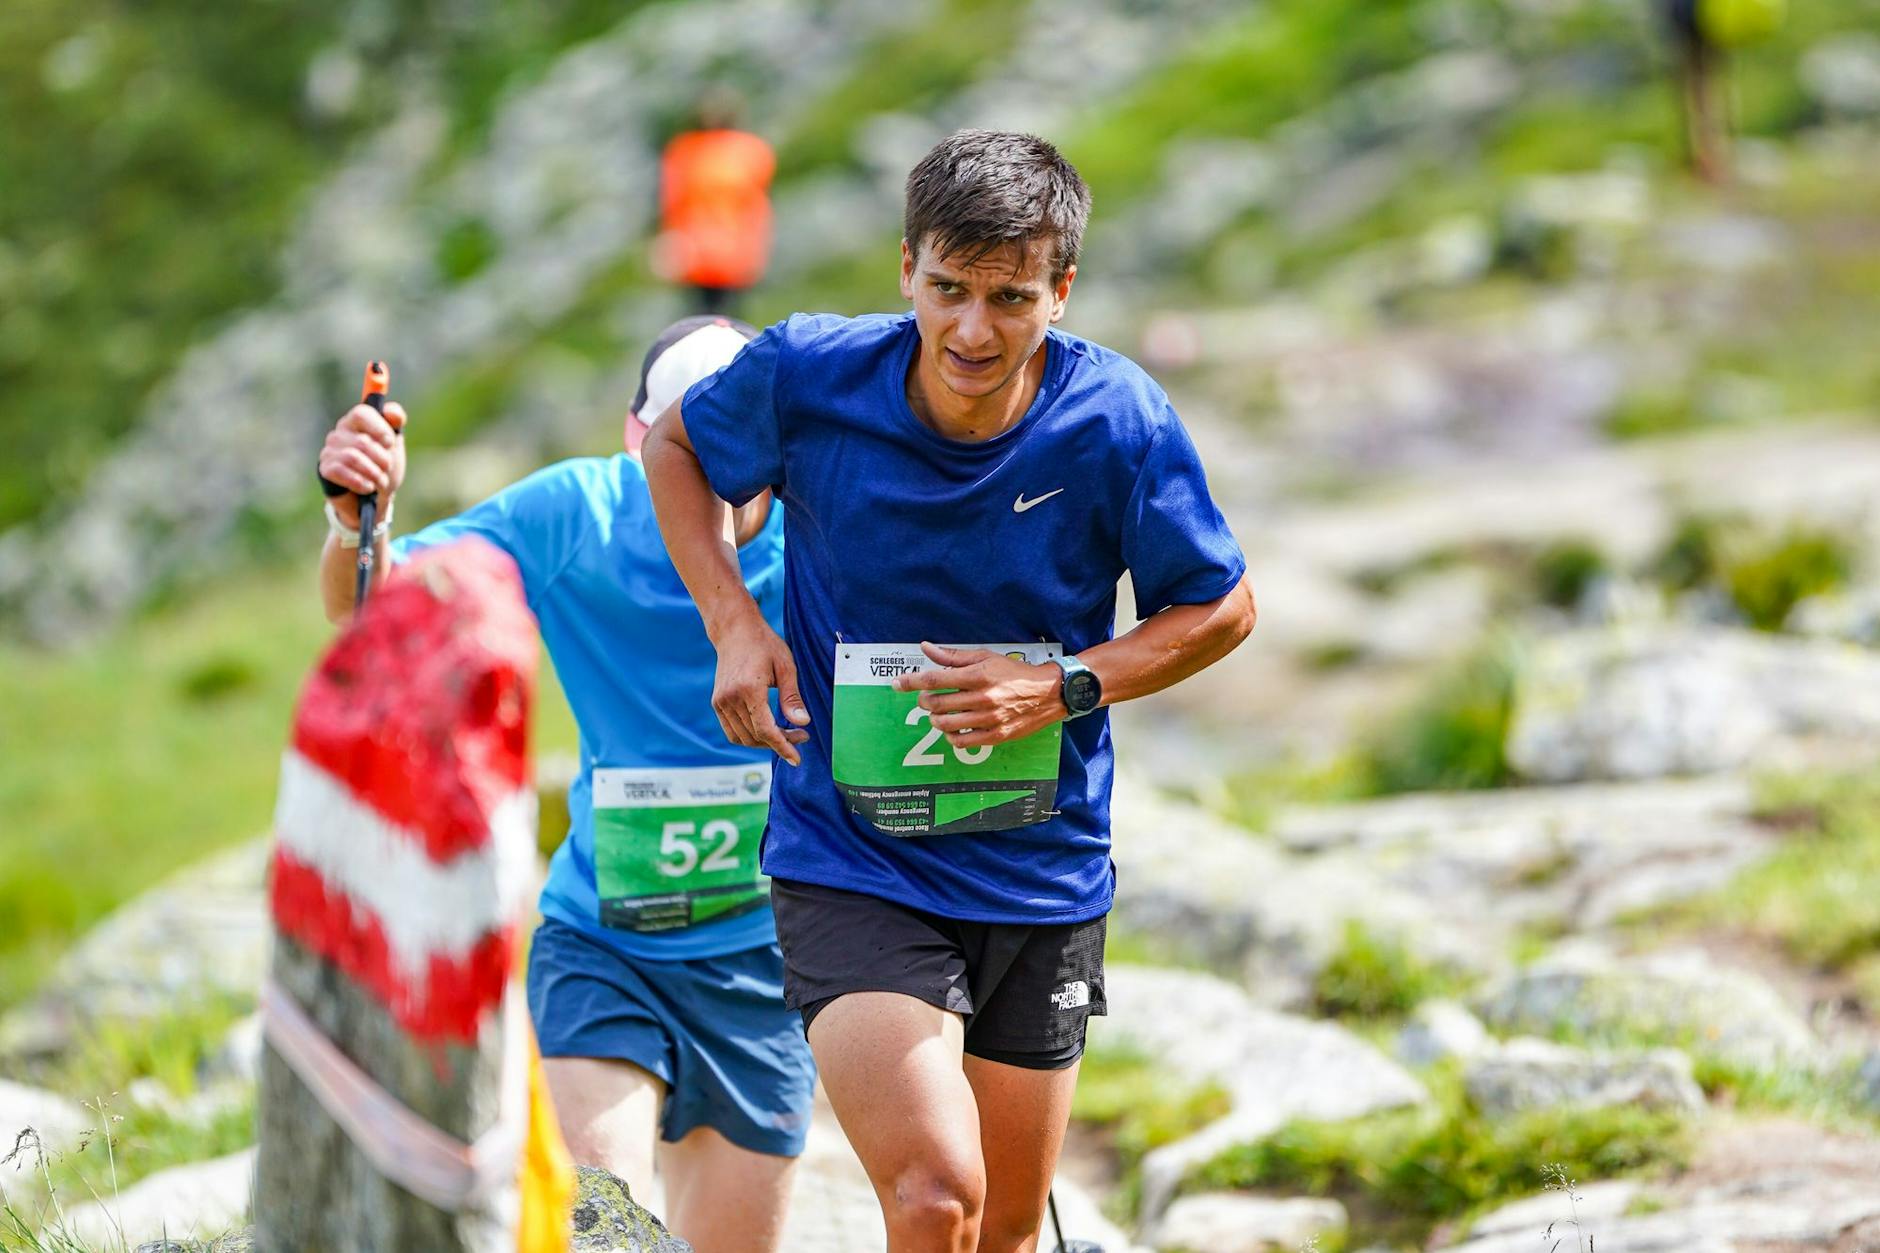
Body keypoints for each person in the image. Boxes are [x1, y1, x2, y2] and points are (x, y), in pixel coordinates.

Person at [643, 130, 1257, 1253]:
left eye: (1010, 298)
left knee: (1005, 1229)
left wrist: (1060, 686)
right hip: (853, 856)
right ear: (906, 270)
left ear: (1060, 291)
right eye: (948, 290)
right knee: (935, 1194)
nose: (973, 330)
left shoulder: (1116, 419)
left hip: (1038, 865)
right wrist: (732, 620)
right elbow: (675, 448)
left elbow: (1220, 606)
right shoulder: (809, 374)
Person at [313, 316, 814, 1253]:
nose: (714, 480)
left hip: (768, 961)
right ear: (639, 441)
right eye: (686, 447)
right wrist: (354, 519)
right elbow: (376, 607)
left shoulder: (823, 538)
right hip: (607, 946)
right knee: (595, 1229)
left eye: (738, 446)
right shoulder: (578, 516)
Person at [655, 90, 775, 315]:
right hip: (697, 252)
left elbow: (755, 204)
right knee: (700, 314)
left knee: (729, 314)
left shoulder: (750, 150)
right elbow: (672, 201)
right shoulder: (685, 149)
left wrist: (756, 248)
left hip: (734, 253)